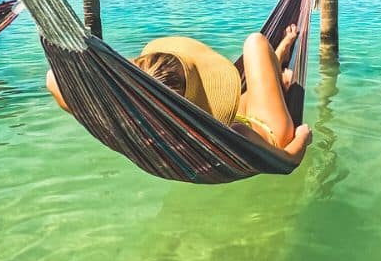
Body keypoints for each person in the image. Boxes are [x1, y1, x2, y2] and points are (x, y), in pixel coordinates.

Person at [46, 24, 312, 162]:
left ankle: (279, 75)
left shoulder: (127, 124)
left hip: (232, 118)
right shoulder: (235, 136)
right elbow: (289, 160)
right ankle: (282, 61)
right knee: (255, 42)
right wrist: (302, 138)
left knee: (254, 90)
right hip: (269, 131)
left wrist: (114, 84)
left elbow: (53, 80)